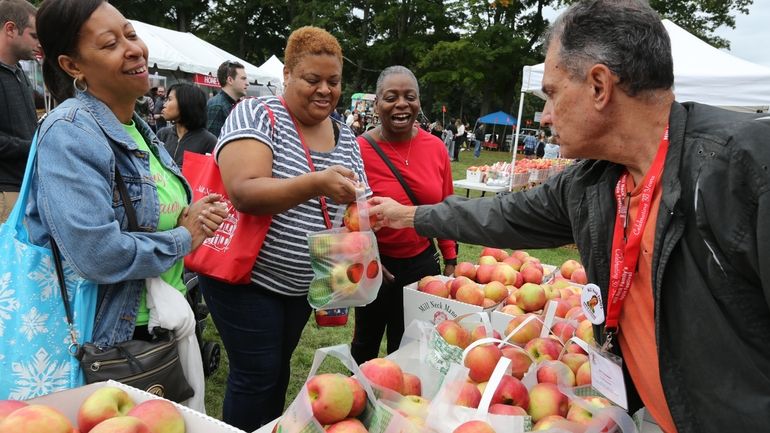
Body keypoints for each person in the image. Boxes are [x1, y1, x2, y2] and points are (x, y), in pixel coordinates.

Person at [368, 1, 770, 432]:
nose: (543, 116)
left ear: (599, 85)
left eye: (553, 94)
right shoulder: (593, 182)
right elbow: (502, 214)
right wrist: (410, 216)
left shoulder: (743, 167)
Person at [31, 0, 227, 394]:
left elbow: (147, 214)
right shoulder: (70, 132)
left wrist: (190, 215)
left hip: (159, 319)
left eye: (131, 34)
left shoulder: (136, 126)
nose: (133, 48)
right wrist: (183, 238)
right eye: (109, 44)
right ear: (73, 66)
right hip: (111, 336)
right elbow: (97, 253)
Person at [198, 26, 369, 431]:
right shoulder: (257, 114)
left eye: (334, 81)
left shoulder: (346, 135)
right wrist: (317, 182)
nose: (325, 90)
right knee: (257, 374)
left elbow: (355, 206)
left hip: (300, 287)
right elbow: (244, 191)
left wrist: (366, 227)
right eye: (313, 79)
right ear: (287, 75)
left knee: (275, 370)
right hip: (245, 280)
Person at [352, 66, 457, 364]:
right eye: (391, 97)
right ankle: (360, 403)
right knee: (364, 345)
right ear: (376, 105)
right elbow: (344, 213)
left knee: (409, 348)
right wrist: (367, 256)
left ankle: (399, 407)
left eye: (410, 97)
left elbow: (445, 208)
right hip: (376, 266)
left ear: (419, 103)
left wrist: (450, 260)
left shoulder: (436, 148)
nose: (401, 104)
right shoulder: (358, 150)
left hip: (421, 267)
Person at [0, 0, 39, 223]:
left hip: (25, 189)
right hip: (6, 194)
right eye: (34, 36)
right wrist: (34, 145)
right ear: (11, 29)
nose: (38, 43)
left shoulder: (20, 74)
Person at [157, 82, 217, 168]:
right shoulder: (162, 135)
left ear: (185, 103)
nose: (164, 104)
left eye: (169, 99)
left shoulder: (209, 141)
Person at [206, 60, 248, 137]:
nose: (247, 83)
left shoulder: (236, 104)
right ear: (230, 80)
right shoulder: (217, 106)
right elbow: (213, 145)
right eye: (243, 78)